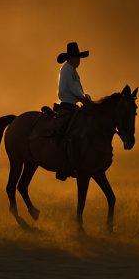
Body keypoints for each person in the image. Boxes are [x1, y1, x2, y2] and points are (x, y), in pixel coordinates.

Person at [52, 41, 91, 179]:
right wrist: (84, 98)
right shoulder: (68, 69)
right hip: (68, 104)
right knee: (73, 132)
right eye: (77, 58)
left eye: (79, 58)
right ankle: (66, 163)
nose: (79, 60)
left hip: (72, 104)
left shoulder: (71, 69)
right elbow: (75, 90)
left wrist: (84, 96)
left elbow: (77, 90)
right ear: (71, 58)